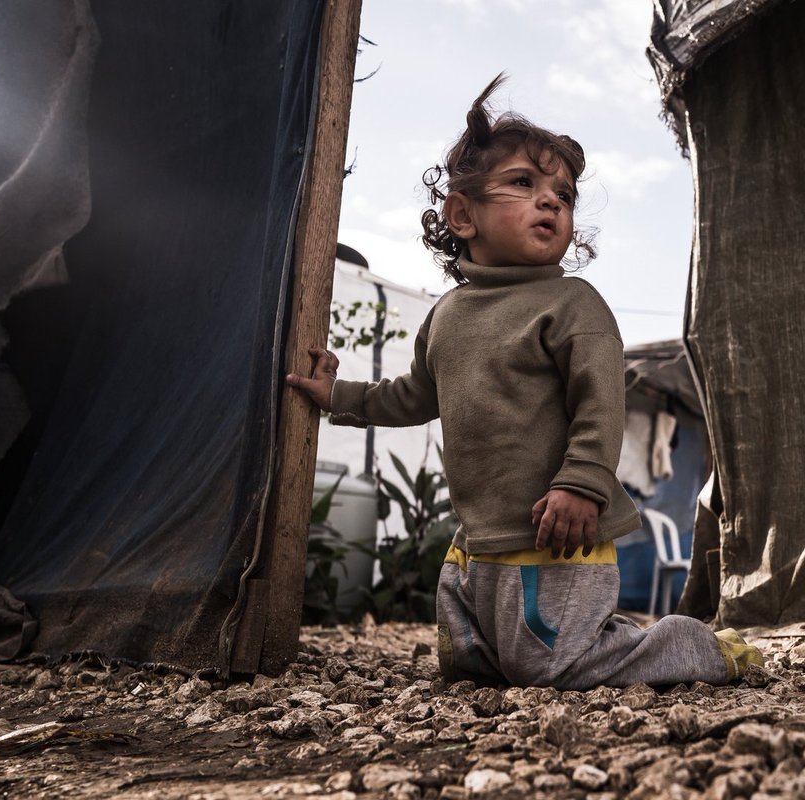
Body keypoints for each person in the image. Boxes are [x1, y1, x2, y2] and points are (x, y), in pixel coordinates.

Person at [286, 75, 760, 690]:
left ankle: (696, 648)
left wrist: (582, 485)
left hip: (559, 532)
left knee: (551, 667)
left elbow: (601, 401)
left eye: (563, 194)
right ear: (462, 214)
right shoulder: (447, 316)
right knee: (470, 667)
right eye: (523, 183)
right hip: (479, 539)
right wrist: (337, 398)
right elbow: (411, 396)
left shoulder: (571, 304)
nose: (552, 201)